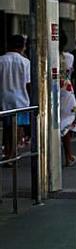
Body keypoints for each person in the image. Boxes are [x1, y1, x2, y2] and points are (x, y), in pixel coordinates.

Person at [0, 34, 31, 163]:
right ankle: (13, 153)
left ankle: (7, 152)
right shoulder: (25, 62)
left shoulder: (1, 60)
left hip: (4, 98)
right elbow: (28, 83)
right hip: (21, 100)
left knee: (7, 128)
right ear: (22, 46)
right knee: (18, 127)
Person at [59, 33, 76, 167]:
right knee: (67, 124)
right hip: (67, 91)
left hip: (52, 92)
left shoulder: (47, 57)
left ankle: (60, 155)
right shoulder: (70, 57)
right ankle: (68, 155)